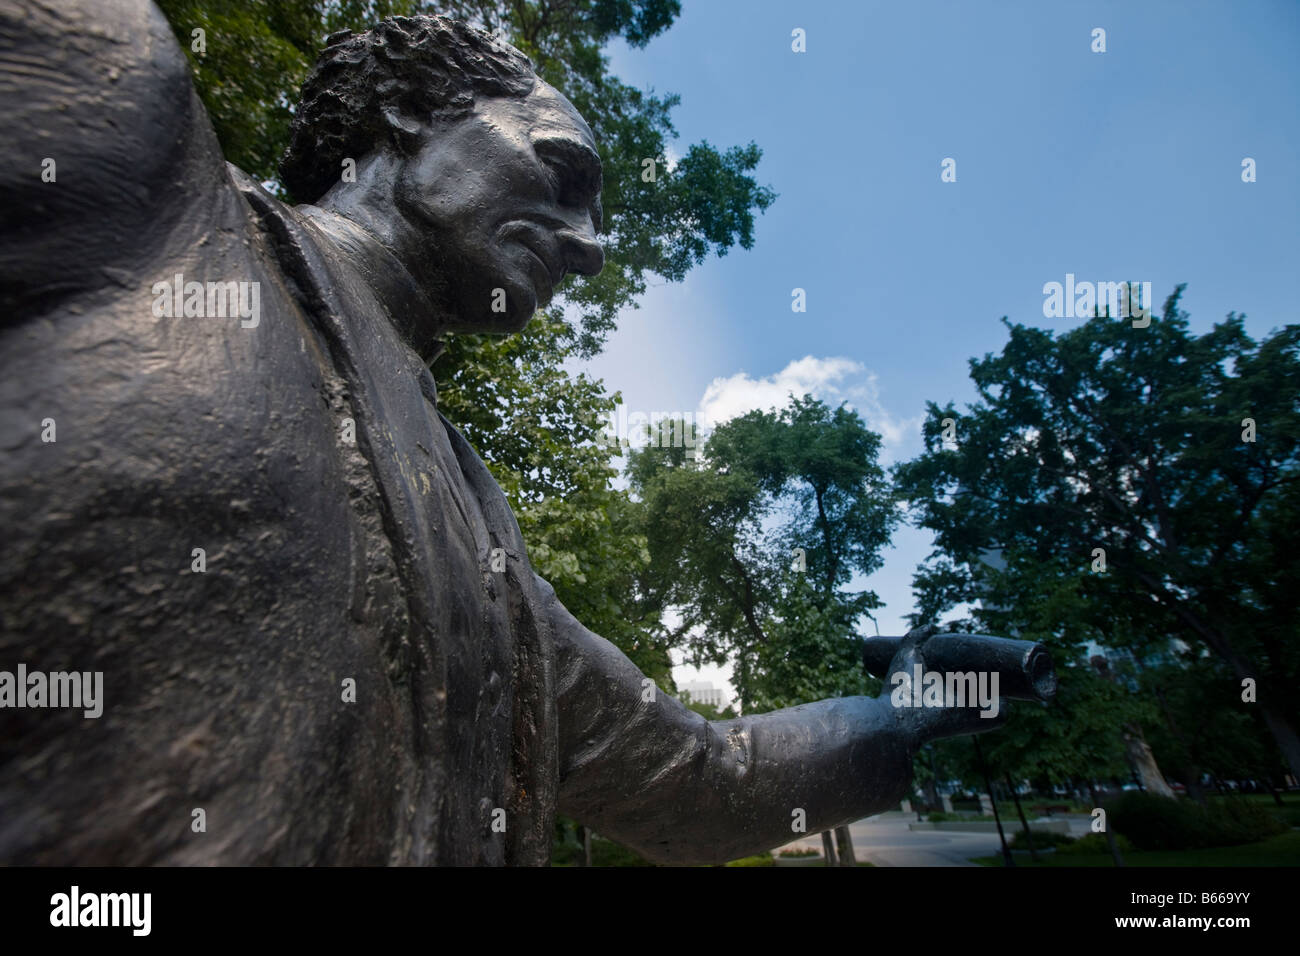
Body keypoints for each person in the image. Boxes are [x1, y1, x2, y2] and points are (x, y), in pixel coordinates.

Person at [0, 1, 1006, 865]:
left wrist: (916, 703)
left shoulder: (487, 549)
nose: (592, 248)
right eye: (562, 169)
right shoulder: (145, 193)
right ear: (407, 109)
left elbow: (702, 780)